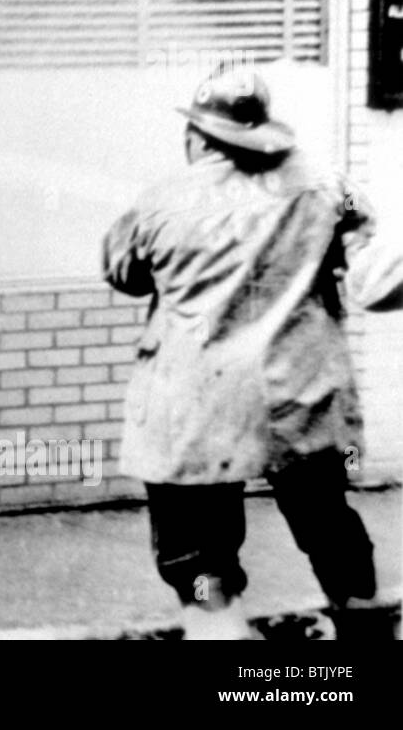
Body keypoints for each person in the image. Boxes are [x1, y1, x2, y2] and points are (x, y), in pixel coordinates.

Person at [102, 66, 388, 640]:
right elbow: (365, 243)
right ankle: (360, 614)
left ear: (196, 138)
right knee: (326, 519)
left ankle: (221, 631)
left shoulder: (160, 201)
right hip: (300, 393)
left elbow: (124, 272)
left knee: (195, 548)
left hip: (195, 404)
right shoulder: (325, 183)